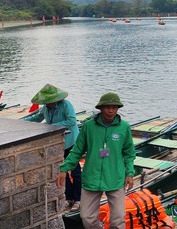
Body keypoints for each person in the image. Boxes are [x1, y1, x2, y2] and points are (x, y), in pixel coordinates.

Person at [56, 92, 136, 229]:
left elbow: (129, 153)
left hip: (115, 178)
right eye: (107, 107)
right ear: (100, 108)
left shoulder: (124, 127)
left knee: (118, 219)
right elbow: (77, 150)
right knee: (87, 217)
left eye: (114, 107)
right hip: (91, 178)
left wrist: (130, 173)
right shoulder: (89, 126)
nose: (111, 110)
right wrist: (65, 168)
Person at [24, 84, 81, 210]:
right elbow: (37, 117)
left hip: (71, 142)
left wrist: (53, 127)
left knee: (75, 171)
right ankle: (69, 197)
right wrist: (22, 121)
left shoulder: (66, 105)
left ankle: (78, 199)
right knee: (61, 171)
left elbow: (71, 121)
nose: (49, 104)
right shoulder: (45, 108)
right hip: (58, 143)